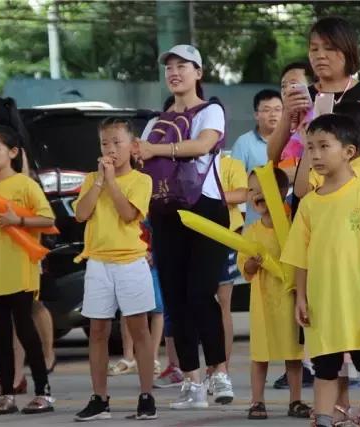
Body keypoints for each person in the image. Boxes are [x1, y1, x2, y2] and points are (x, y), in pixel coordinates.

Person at [282, 114, 360, 427]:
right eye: (310, 148)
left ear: (349, 152)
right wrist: (300, 297)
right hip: (324, 303)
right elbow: (300, 257)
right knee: (324, 365)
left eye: (324, 146)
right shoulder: (309, 205)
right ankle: (323, 417)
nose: (316, 155)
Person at [135, 44, 233, 408]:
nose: (175, 72)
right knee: (175, 298)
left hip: (205, 209)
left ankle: (218, 373)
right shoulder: (154, 122)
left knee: (201, 293)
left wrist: (154, 150)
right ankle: (191, 380)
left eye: (183, 66)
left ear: (198, 73)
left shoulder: (211, 112)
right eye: (169, 67)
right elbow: (139, 162)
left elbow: (203, 145)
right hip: (164, 211)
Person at [0, 95, 56, 397]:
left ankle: (42, 390)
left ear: (13, 152)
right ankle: (5, 393)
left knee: (25, 332)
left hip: (21, 272)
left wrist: (18, 220)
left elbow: (47, 219)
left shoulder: (25, 185)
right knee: (1, 334)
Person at [73, 117, 157, 421]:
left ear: (133, 146)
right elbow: (81, 214)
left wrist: (110, 182)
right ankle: (100, 398)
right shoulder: (90, 179)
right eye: (104, 143)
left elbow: (127, 214)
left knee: (138, 329)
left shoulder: (141, 180)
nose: (110, 149)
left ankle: (146, 395)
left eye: (117, 142)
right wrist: (98, 180)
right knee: (97, 330)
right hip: (98, 262)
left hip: (131, 262)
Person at [268, 17, 360, 174]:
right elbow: (273, 156)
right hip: (307, 192)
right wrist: (287, 113)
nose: (320, 55)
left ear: (348, 51)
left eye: (329, 48)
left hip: (355, 189)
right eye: (314, 49)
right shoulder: (302, 97)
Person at [239, 168, 310, 420]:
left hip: (289, 301)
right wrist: (254, 264)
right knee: (260, 356)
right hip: (262, 305)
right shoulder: (252, 231)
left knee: (293, 356)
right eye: (251, 190)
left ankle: (296, 400)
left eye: (262, 189)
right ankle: (257, 401)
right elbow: (244, 267)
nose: (256, 194)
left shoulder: (291, 227)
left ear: (281, 192)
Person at [204, 155, 247, 394]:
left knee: (223, 305)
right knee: (197, 305)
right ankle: (207, 369)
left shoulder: (231, 164)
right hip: (193, 239)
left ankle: (222, 370)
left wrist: (206, 199)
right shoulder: (185, 163)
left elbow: (242, 193)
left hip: (223, 239)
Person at [108, 219, 164, 378]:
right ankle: (128, 358)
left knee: (157, 308)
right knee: (128, 307)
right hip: (129, 257)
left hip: (152, 260)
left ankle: (152, 358)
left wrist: (154, 253)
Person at [231, 89, 282, 225]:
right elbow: (235, 186)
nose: (273, 114)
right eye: (266, 110)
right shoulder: (244, 143)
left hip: (289, 220)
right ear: (256, 115)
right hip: (256, 222)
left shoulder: (294, 142)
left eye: (278, 109)